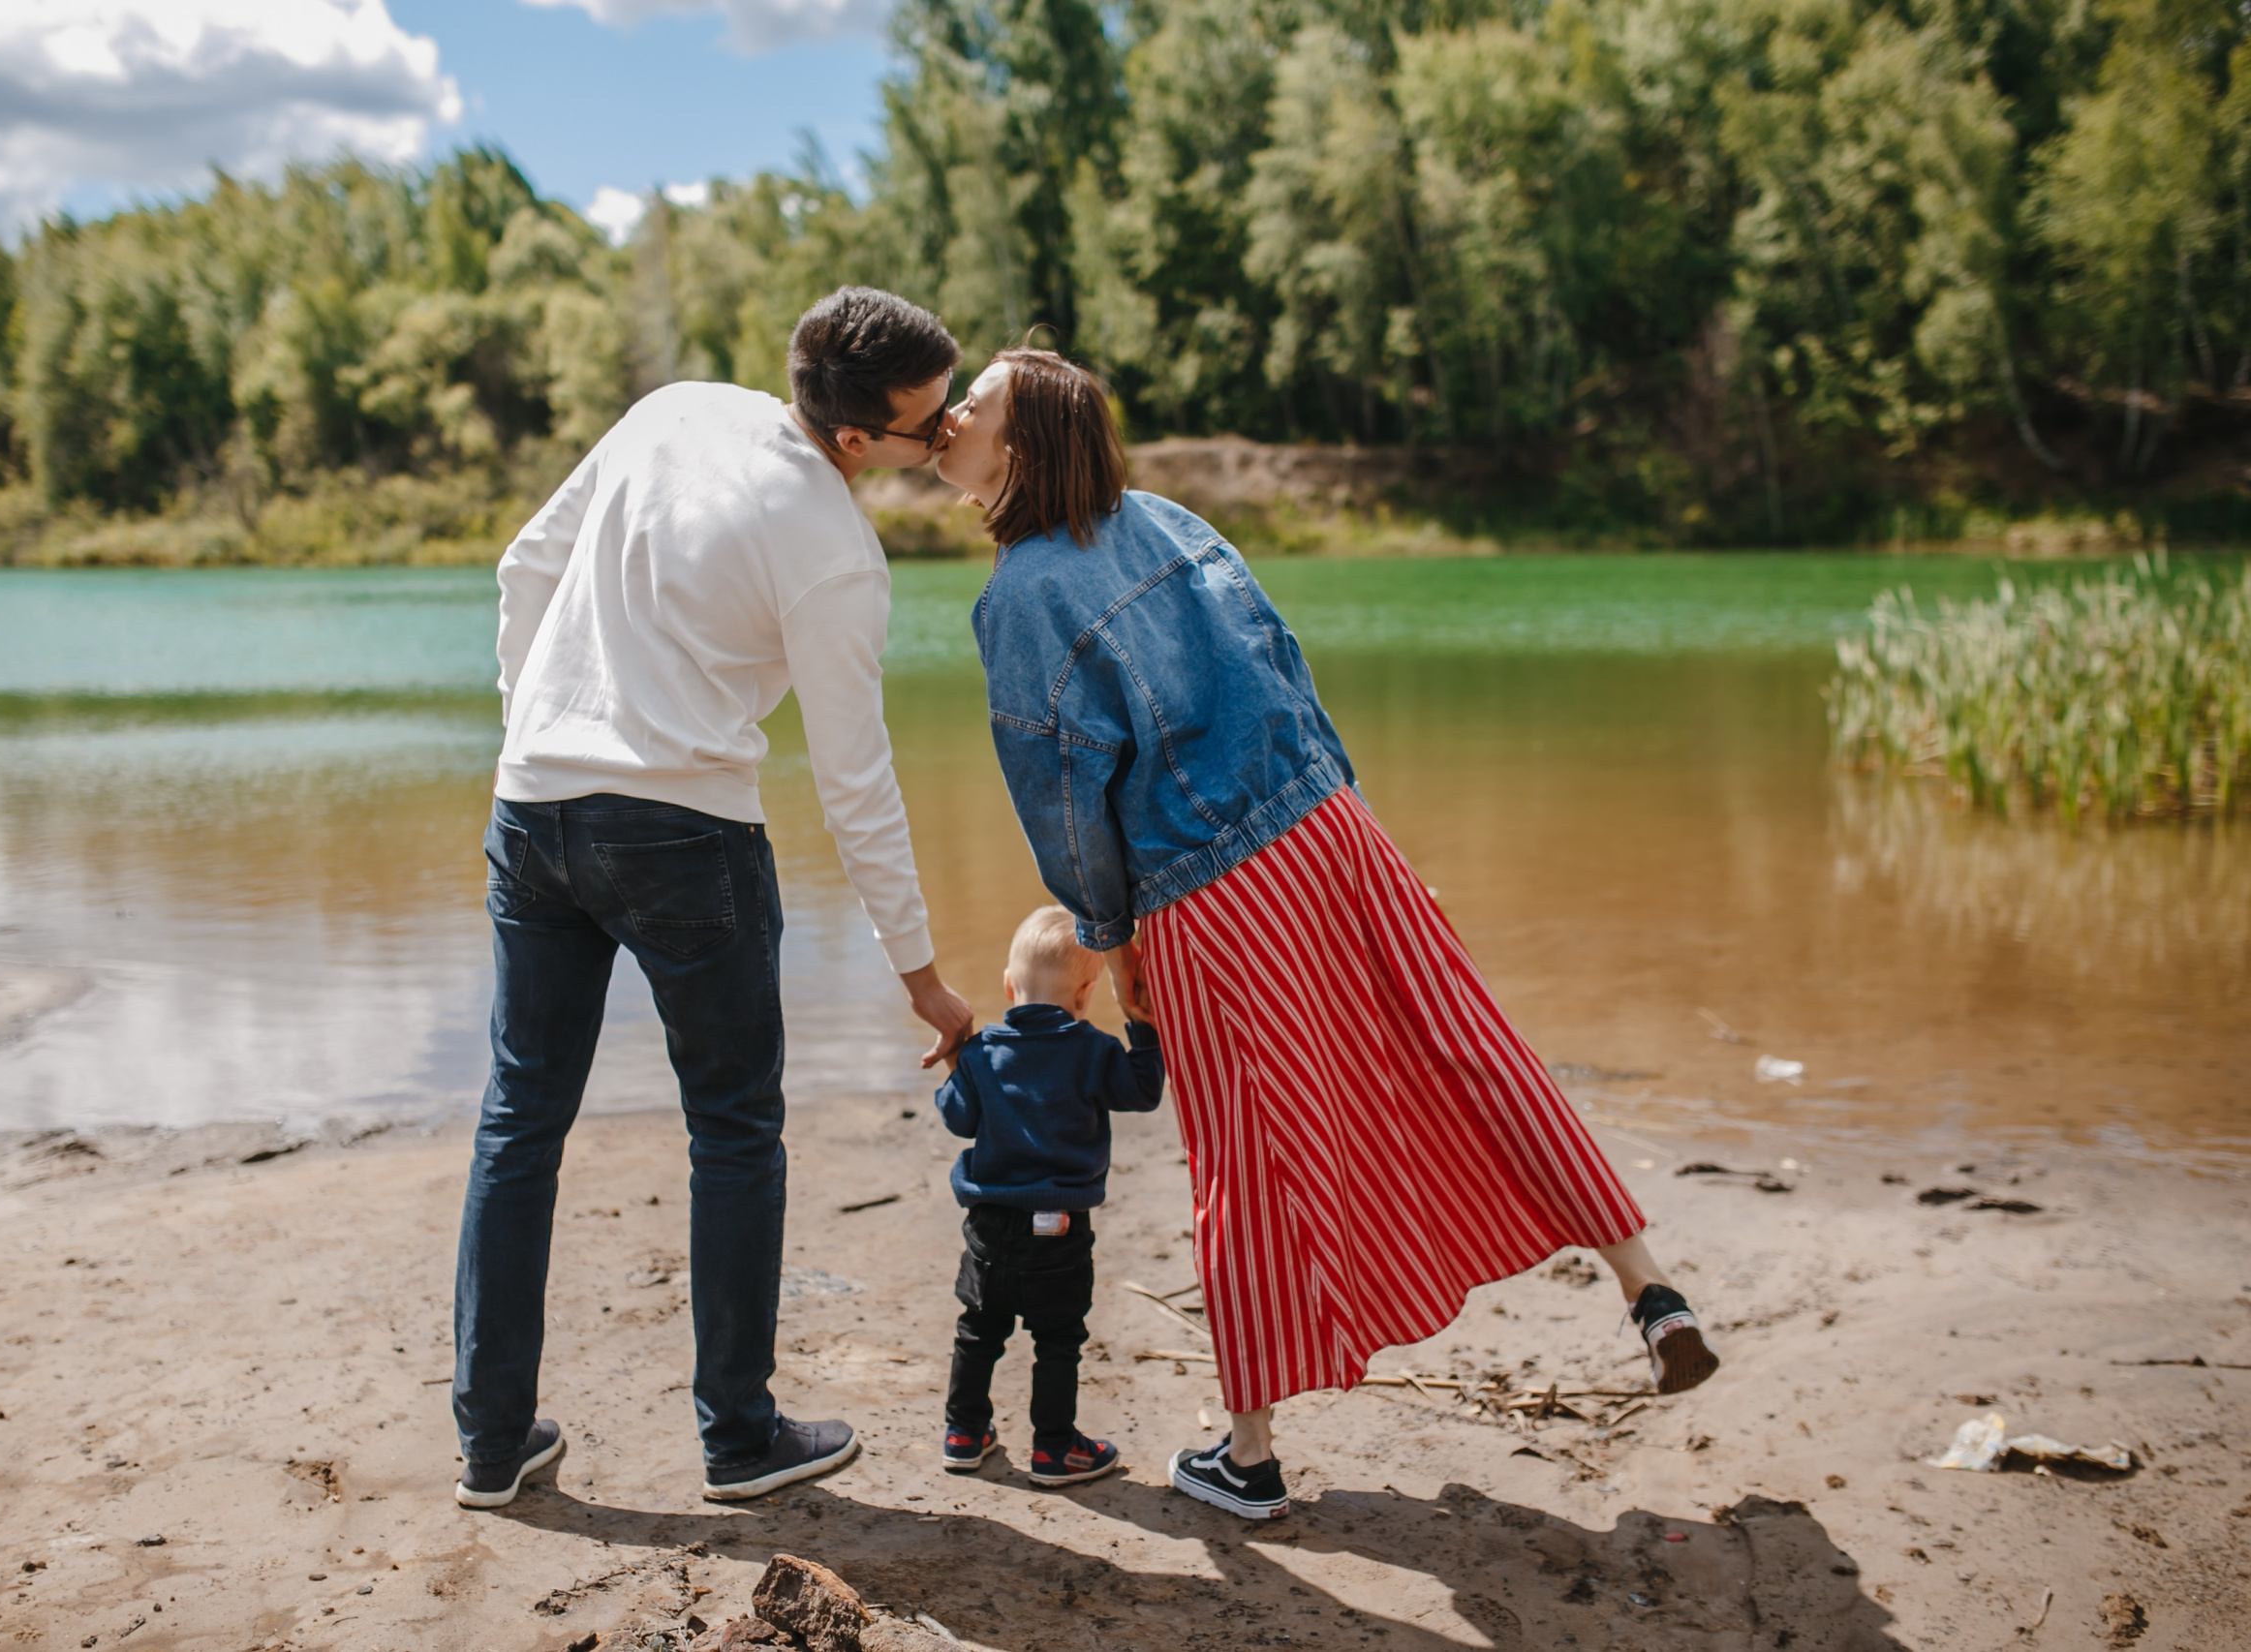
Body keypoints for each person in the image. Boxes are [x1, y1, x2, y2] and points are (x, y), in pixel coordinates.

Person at [934, 347, 1719, 1522]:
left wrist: (1112, 934)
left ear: (1024, 448)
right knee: (1463, 1044)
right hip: (1329, 826)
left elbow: (1063, 795)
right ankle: (1648, 1286)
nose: (948, 419)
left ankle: (1248, 1456)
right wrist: (1355, 820)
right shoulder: (1164, 516)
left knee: (1249, 1151)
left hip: (1207, 886)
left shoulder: (1021, 594)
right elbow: (1284, 663)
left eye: (974, 406)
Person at [450, 288, 979, 1511]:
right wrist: (921, 977)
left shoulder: (673, 409)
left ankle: (489, 1443)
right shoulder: (840, 553)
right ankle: (739, 1436)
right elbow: (855, 781)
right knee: (733, 1128)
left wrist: (534, 727)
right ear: (858, 441)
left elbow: (521, 561)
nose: (942, 434)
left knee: (518, 1117)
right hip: (686, 834)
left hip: (531, 810)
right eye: (925, 422)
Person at [932, 905, 1164, 1486]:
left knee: (978, 1329)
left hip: (989, 1226)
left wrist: (960, 1057)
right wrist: (1143, 1025)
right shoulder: (1093, 1050)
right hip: (1060, 1228)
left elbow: (957, 1120)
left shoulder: (985, 1052)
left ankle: (963, 1432)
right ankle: (1054, 1449)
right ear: (1086, 996)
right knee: (1058, 1340)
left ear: (1009, 985)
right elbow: (1142, 1092)